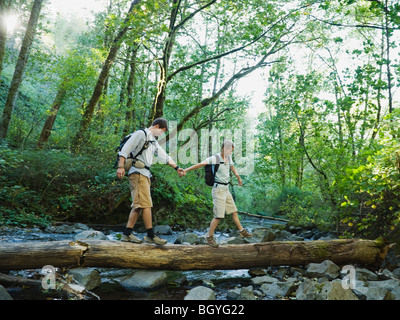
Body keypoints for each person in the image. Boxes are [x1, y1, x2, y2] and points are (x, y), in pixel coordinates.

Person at [116, 118, 185, 245]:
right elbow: (125, 149)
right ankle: (150, 235)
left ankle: (126, 234)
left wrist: (176, 168)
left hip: (145, 174)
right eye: (162, 131)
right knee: (146, 205)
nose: (161, 134)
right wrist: (120, 166)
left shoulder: (153, 141)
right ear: (156, 126)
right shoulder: (140, 134)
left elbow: (164, 156)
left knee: (138, 205)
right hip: (137, 173)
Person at [183, 140, 252, 247]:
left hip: (226, 189)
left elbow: (232, 167)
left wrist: (238, 176)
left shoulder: (228, 157)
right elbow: (201, 164)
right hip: (218, 189)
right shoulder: (215, 158)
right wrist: (186, 170)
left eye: (232, 151)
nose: (230, 153)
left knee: (234, 211)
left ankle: (241, 231)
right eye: (229, 150)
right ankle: (209, 237)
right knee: (218, 216)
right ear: (224, 148)